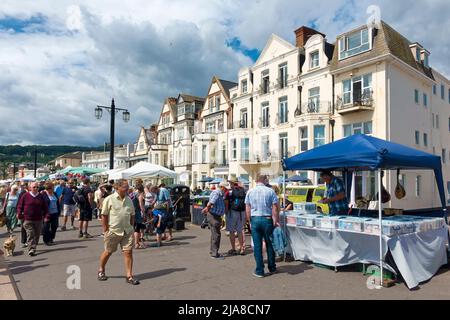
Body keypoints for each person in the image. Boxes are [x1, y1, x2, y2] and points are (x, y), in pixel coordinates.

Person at [98, 179, 140, 285]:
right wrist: (105, 230)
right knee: (108, 251)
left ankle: (129, 276)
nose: (127, 189)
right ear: (117, 187)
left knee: (128, 252)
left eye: (127, 187)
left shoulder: (129, 199)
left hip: (127, 231)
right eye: (125, 187)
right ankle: (101, 270)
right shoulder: (109, 199)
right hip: (113, 231)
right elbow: (104, 215)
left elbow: (132, 214)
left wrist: (131, 226)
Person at [245, 175, 279, 278]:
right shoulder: (270, 191)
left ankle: (260, 270)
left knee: (257, 246)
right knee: (269, 244)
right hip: (267, 218)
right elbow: (275, 208)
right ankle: (272, 267)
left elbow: (247, 208)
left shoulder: (250, 192)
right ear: (265, 180)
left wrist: (249, 221)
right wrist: (275, 220)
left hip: (255, 218)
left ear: (256, 181)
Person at [16, 182, 49, 256]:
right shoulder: (25, 195)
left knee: (37, 234)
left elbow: (45, 208)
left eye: (37, 187)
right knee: (30, 233)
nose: (36, 188)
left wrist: (46, 216)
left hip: (38, 219)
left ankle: (34, 245)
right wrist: (19, 213)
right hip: (27, 219)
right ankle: (31, 249)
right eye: (34, 187)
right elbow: (19, 206)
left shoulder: (41, 196)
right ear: (30, 188)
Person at [202, 181, 228, 260]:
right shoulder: (217, 193)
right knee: (216, 235)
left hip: (215, 215)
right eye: (226, 188)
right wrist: (207, 208)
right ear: (222, 187)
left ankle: (213, 251)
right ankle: (214, 253)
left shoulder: (219, 193)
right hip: (214, 216)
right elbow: (211, 203)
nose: (226, 190)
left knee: (214, 234)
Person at [226, 178, 246, 256]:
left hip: (233, 212)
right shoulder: (243, 190)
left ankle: (233, 249)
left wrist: (226, 212)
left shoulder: (229, 192)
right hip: (242, 212)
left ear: (231, 183)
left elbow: (226, 203)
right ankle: (242, 248)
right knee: (240, 231)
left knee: (231, 231)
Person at [41, 181, 61, 245]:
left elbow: (57, 203)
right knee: (46, 228)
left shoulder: (54, 193)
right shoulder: (43, 194)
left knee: (55, 226)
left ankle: (51, 238)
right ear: (48, 189)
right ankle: (46, 240)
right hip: (47, 214)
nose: (53, 189)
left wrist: (59, 211)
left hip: (55, 213)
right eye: (52, 188)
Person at [132, 185, 146, 249]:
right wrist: (143, 213)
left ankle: (135, 243)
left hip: (131, 213)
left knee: (134, 228)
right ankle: (136, 244)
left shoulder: (132, 194)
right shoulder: (139, 195)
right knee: (137, 229)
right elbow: (141, 205)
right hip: (137, 213)